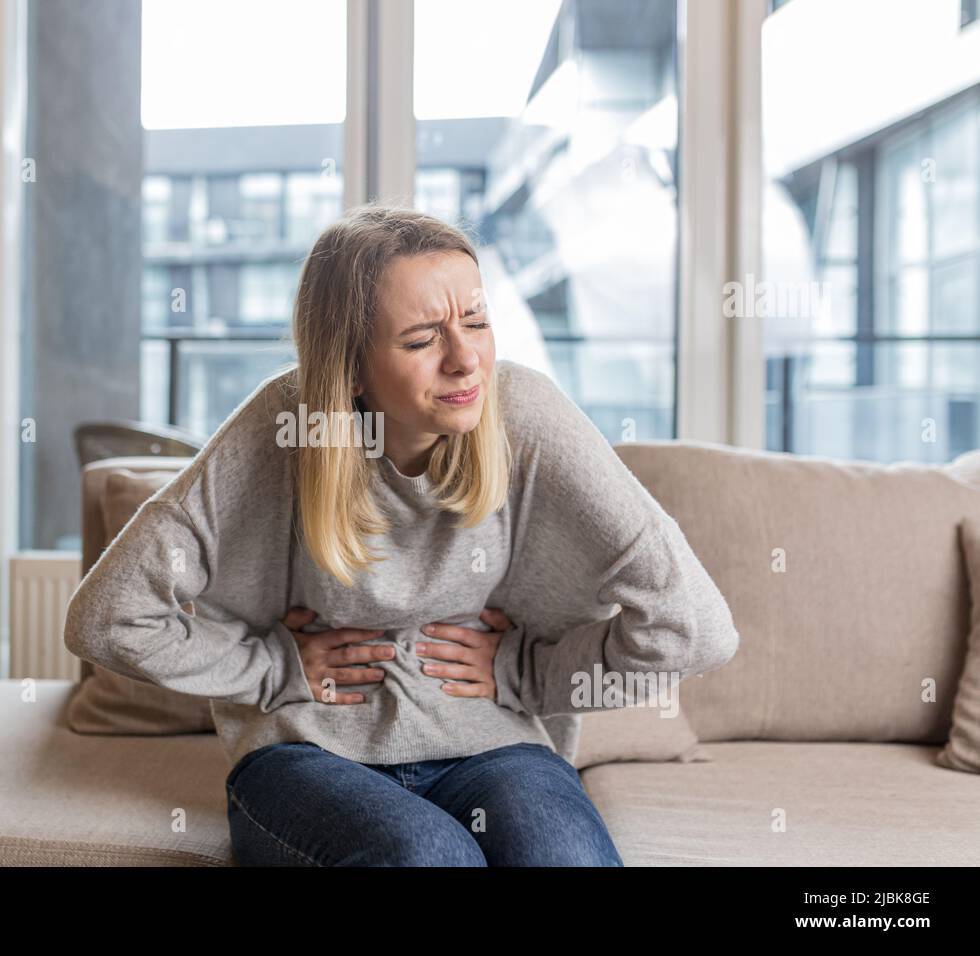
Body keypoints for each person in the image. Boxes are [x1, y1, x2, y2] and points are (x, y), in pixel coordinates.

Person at [64, 204, 740, 866]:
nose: (465, 360)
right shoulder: (284, 425)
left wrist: (530, 672)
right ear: (351, 368)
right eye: (421, 340)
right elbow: (108, 617)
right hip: (308, 753)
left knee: (561, 854)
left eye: (476, 321)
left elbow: (696, 627)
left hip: (494, 746)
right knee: (427, 853)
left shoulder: (524, 414)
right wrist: (269, 666)